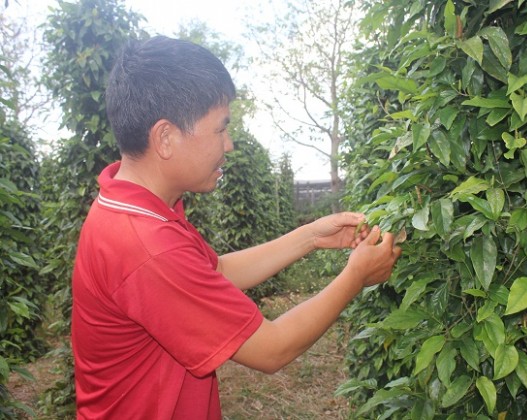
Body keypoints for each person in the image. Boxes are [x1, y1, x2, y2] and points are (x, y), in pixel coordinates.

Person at [71, 35, 401, 419]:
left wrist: (310, 235)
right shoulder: (146, 246)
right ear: (165, 137)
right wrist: (357, 274)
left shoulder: (136, 207)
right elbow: (272, 348)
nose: (228, 145)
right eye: (220, 129)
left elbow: (217, 272)